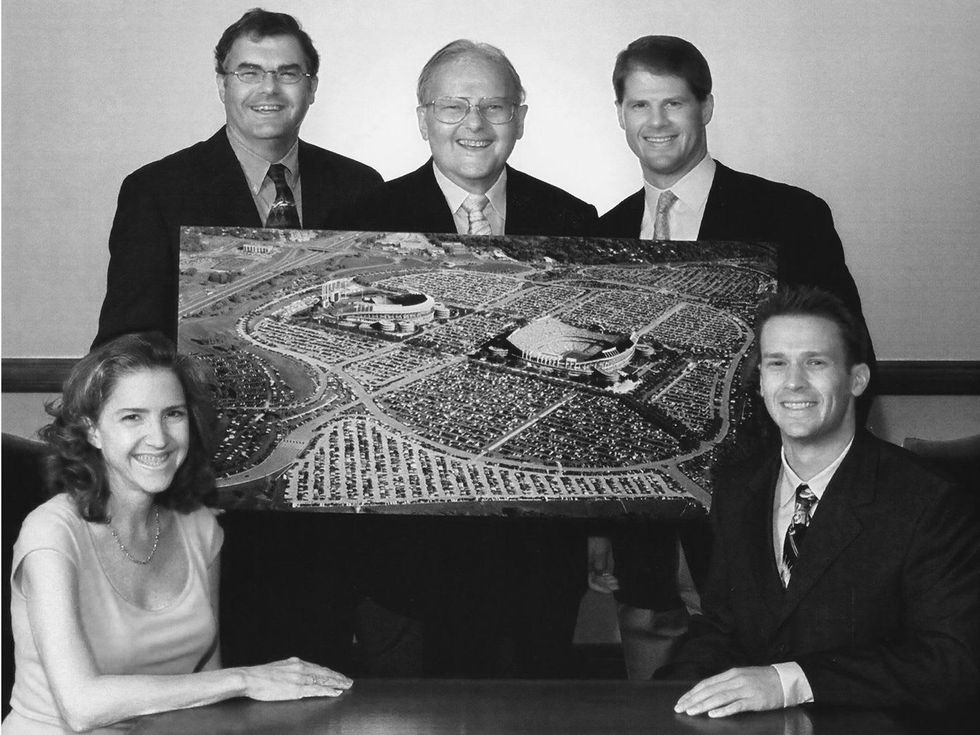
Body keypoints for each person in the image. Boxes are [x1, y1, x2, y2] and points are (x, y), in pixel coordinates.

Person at [589, 35, 873, 680]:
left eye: (674, 103)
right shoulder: (603, 233)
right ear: (621, 115)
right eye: (640, 105)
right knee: (650, 666)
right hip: (644, 511)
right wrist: (598, 520)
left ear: (706, 107)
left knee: (761, 665)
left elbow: (849, 357)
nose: (657, 122)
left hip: (763, 505)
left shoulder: (789, 216)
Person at [344, 39, 597, 678]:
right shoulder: (361, 220)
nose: (475, 124)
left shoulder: (575, 219)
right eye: (453, 106)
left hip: (539, 544)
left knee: (535, 711)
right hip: (407, 545)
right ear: (423, 118)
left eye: (494, 106)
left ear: (521, 118)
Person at [3, 333, 352, 734]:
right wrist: (246, 679)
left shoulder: (199, 526)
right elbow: (80, 707)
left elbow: (206, 689)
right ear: (93, 430)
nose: (159, 438)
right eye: (132, 417)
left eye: (173, 414)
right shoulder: (51, 532)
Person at [668, 286, 980, 717]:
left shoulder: (930, 501)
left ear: (857, 379)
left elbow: (952, 662)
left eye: (815, 362)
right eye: (777, 363)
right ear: (761, 382)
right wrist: (666, 702)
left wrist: (789, 682)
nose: (794, 382)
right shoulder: (738, 489)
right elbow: (720, 629)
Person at [93, 8, 382, 347]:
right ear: (222, 85)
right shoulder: (156, 192)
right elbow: (126, 342)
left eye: (288, 73)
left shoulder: (360, 187)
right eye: (250, 73)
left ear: (311, 88)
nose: (269, 88)